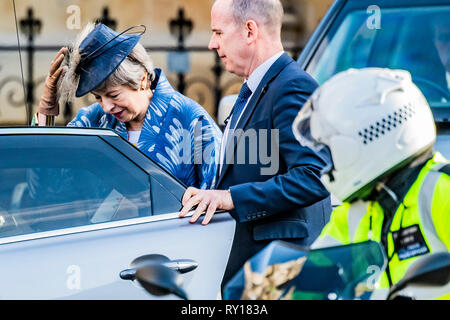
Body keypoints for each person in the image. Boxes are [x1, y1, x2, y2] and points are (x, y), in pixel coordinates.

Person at [179, 0, 332, 291]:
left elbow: (314, 175)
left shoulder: (292, 86)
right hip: (252, 272)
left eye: (219, 33)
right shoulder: (253, 87)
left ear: (250, 30)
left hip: (280, 272)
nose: (212, 44)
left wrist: (229, 198)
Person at [293, 68, 450, 299]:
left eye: (330, 150)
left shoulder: (441, 189)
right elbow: (314, 274)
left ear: (369, 138)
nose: (328, 165)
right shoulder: (357, 209)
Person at [35, 23, 221, 190]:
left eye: (113, 95)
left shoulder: (191, 119)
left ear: (141, 80)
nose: (107, 107)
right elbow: (49, 185)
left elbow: (216, 197)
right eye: (98, 97)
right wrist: (47, 108)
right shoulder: (93, 120)